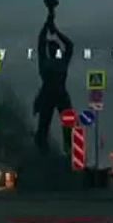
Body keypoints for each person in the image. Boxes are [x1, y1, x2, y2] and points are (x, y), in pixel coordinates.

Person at [32, 11, 74, 155]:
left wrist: (55, 31)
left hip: (56, 95)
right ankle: (44, 151)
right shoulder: (48, 61)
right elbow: (41, 41)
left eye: (53, 48)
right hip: (50, 95)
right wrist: (49, 24)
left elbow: (69, 45)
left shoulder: (58, 61)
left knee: (67, 125)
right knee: (44, 128)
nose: (52, 50)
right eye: (51, 48)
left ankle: (68, 149)